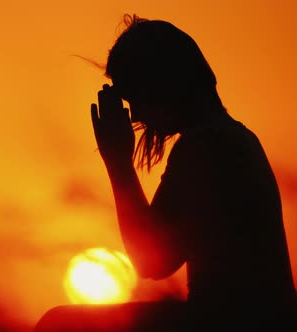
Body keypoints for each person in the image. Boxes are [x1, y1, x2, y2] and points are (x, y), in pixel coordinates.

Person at [35, 14, 296, 332]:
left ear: (162, 85)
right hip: (259, 318)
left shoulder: (205, 146)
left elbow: (152, 262)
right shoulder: (235, 138)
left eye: (137, 98)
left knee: (59, 324)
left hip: (234, 322)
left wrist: (118, 163)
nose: (138, 115)